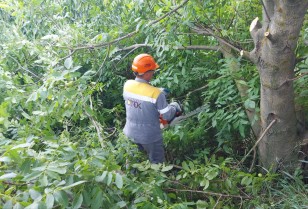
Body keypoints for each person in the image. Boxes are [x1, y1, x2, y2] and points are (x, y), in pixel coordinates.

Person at [123, 53, 181, 164]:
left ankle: (131, 179)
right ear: (147, 73)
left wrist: (157, 90)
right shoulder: (156, 94)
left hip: (130, 133)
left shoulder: (127, 85)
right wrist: (174, 106)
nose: (153, 73)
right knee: (157, 163)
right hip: (150, 136)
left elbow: (140, 94)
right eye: (152, 71)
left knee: (132, 163)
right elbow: (167, 115)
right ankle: (159, 177)